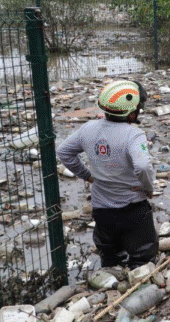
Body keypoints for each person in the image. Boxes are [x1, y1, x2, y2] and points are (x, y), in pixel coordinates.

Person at [57, 80, 158, 269]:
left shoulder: (88, 128)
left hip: (102, 207)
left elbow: (64, 152)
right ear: (133, 112)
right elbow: (143, 166)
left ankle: (111, 279)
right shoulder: (133, 135)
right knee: (143, 255)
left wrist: (86, 175)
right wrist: (148, 187)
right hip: (133, 207)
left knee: (110, 253)